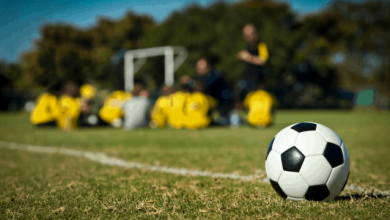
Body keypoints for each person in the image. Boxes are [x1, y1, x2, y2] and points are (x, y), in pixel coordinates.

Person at [237, 23, 269, 103]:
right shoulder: (248, 46)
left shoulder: (261, 44)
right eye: (246, 36)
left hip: (259, 81)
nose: (249, 37)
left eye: (251, 35)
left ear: (256, 33)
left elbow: (263, 60)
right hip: (249, 79)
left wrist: (248, 57)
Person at [195, 58, 232, 125]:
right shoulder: (203, 76)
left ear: (208, 66)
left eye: (201, 66)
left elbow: (206, 88)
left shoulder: (214, 75)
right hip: (217, 99)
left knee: (223, 120)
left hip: (222, 100)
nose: (199, 68)